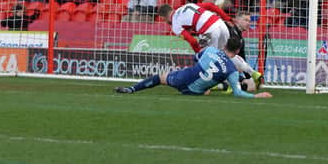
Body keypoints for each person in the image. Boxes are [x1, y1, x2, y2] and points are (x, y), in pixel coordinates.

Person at [115, 36, 272, 99]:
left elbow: (195, 59)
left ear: (224, 45)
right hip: (195, 92)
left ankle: (132, 89)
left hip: (183, 78)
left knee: (160, 78)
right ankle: (221, 85)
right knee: (210, 88)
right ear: (237, 51)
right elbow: (238, 93)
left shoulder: (211, 50)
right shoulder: (231, 69)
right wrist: (257, 96)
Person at [157, 2, 260, 81]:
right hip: (221, 24)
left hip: (209, 31)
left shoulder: (175, 25)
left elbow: (192, 41)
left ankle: (222, 82)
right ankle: (253, 73)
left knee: (208, 60)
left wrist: (199, 53)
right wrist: (227, 18)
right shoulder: (188, 5)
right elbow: (211, 6)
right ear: (172, 8)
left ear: (162, 18)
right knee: (227, 55)